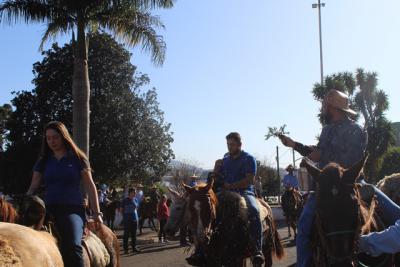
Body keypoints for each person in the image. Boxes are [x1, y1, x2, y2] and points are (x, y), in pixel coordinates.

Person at [279, 89, 367, 267]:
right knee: (303, 227)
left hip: (351, 183)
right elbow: (317, 153)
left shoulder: (356, 130)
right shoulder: (326, 130)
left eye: (325, 106)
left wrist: (320, 156)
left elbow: (350, 160)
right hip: (326, 186)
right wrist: (294, 144)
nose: (323, 109)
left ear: (332, 107)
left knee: (391, 212)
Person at [27, 121, 103, 267]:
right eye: (48, 138)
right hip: (47, 210)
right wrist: (25, 203)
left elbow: (90, 186)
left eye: (55, 137)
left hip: (72, 209)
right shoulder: (43, 161)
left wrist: (97, 212)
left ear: (63, 137)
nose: (51, 141)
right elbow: (33, 187)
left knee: (73, 246)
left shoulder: (78, 159)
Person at [216, 132, 264, 264]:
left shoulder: (249, 159)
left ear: (239, 145)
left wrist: (231, 185)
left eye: (232, 144)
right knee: (208, 208)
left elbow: (249, 180)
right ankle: (203, 247)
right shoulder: (224, 161)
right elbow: (218, 179)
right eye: (228, 144)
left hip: (244, 193)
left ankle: (257, 249)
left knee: (254, 211)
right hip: (225, 193)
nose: (229, 147)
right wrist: (215, 173)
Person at [121, 188, 141, 254]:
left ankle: (134, 247)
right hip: (127, 220)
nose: (135, 193)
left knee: (134, 235)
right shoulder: (124, 200)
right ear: (130, 193)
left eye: (135, 192)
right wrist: (124, 217)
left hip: (134, 219)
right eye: (134, 192)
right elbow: (121, 210)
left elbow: (136, 208)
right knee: (126, 235)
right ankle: (126, 249)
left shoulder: (136, 199)